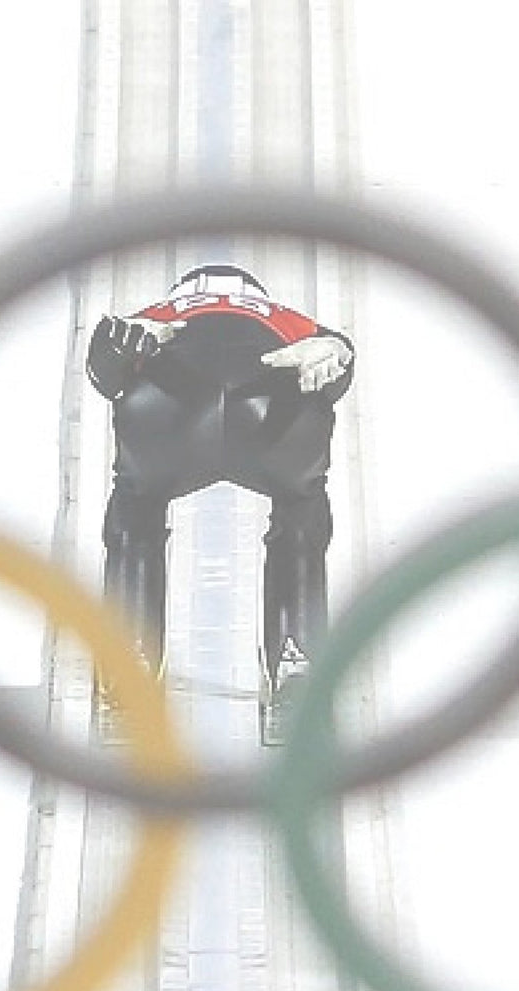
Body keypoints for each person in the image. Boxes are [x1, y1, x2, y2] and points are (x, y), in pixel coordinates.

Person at [86, 262, 354, 738]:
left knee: (136, 508)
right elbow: (339, 360)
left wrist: (117, 348)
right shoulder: (279, 314)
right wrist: (335, 355)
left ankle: (131, 661)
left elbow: (104, 371)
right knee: (301, 508)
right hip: (272, 410)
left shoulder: (165, 311)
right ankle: (297, 658)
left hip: (169, 408)